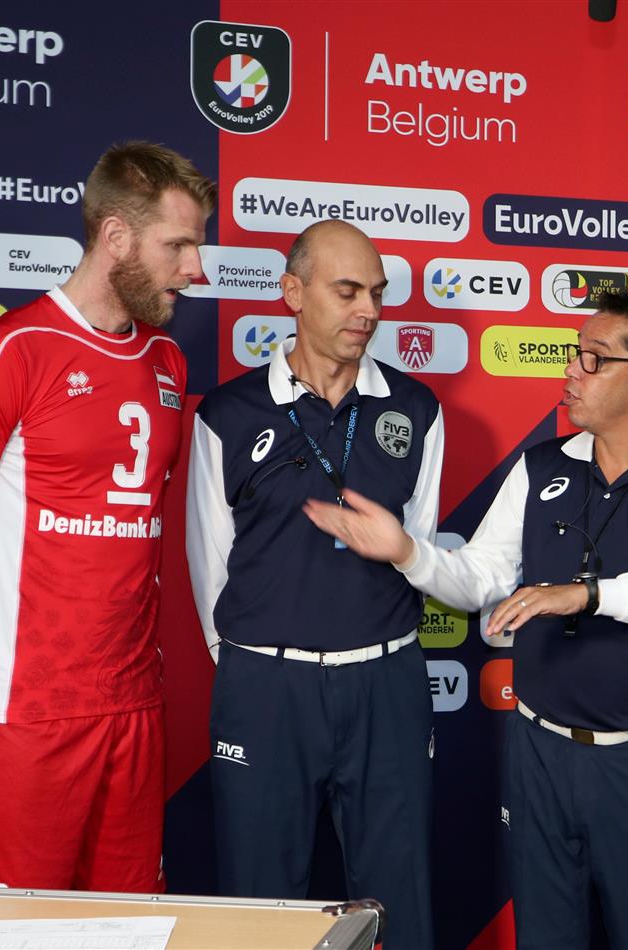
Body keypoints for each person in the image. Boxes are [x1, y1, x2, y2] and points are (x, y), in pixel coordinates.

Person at [304, 289, 628, 949]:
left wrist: (585, 594)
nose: (572, 370)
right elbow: (479, 576)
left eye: (594, 359)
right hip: (538, 751)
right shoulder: (541, 467)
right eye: (575, 353)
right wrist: (407, 552)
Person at [0, 141, 215, 890]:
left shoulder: (167, 363)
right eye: (177, 246)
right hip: (24, 714)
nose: (195, 269)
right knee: (3, 936)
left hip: (133, 708)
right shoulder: (6, 352)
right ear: (116, 237)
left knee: (124, 929)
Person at [185, 219, 442, 948]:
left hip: (385, 685)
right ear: (293, 293)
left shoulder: (416, 410)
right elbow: (212, 566)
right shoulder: (228, 414)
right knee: (258, 904)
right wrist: (258, 663)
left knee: (399, 898)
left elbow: (418, 550)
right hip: (266, 691)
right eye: (348, 291)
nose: (368, 310)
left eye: (378, 294)